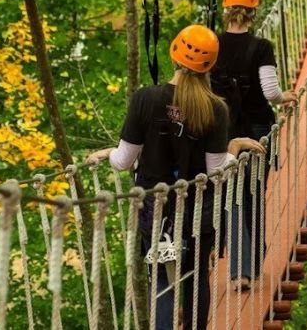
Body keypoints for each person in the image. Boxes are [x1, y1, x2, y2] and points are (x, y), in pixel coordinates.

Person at [88, 24, 264, 330]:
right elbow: (216, 171)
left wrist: (110, 152)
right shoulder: (215, 109)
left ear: (174, 55)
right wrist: (233, 147)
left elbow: (123, 161)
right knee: (196, 280)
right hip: (198, 211)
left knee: (162, 281)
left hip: (155, 210)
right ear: (209, 65)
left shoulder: (145, 98)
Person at [209, 0, 296, 291]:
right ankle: (253, 265)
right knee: (253, 195)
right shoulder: (261, 47)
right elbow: (270, 92)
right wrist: (286, 97)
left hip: (225, 132)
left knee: (231, 198)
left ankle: (238, 272)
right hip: (258, 131)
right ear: (253, 12)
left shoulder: (212, 45)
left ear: (226, 11)